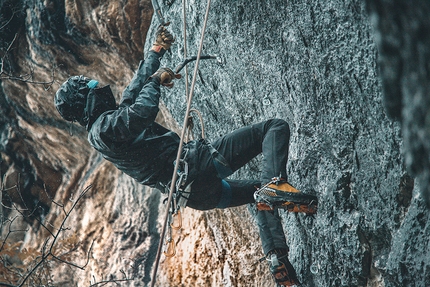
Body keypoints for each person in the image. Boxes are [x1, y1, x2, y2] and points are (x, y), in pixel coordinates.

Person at [54, 23, 317, 287]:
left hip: (195, 195)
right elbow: (142, 111)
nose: (98, 86)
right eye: (90, 86)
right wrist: (156, 81)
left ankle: (277, 259)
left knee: (258, 194)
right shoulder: (104, 129)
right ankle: (276, 185)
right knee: (274, 128)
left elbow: (131, 94)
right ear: (84, 99)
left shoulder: (105, 127)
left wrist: (156, 53)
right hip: (198, 166)